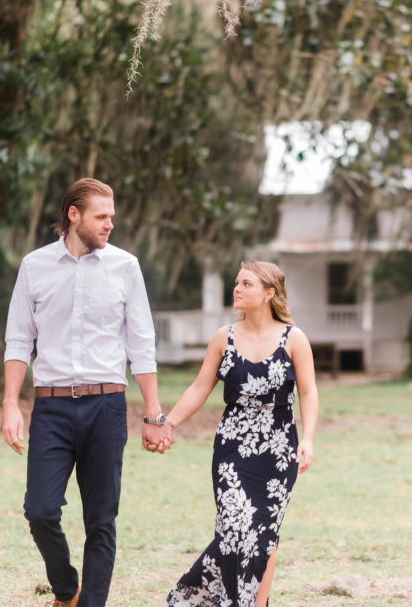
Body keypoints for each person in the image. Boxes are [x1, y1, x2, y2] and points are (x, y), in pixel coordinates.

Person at [1, 178, 173, 607]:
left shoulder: (126, 267)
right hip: (52, 408)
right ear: (73, 215)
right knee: (40, 511)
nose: (109, 224)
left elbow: (141, 344)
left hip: (106, 407)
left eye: (111, 217)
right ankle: (67, 590)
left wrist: (153, 414)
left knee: (101, 520)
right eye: (101, 216)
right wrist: (10, 405)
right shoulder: (34, 266)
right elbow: (19, 340)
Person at [160, 260, 319, 607]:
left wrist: (307, 439)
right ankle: (202, 597)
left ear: (268, 293)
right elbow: (199, 388)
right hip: (233, 445)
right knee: (234, 527)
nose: (237, 288)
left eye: (246, 283)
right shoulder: (224, 337)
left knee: (264, 533)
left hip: (278, 447)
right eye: (237, 282)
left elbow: (308, 392)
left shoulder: (294, 339)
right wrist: (168, 423)